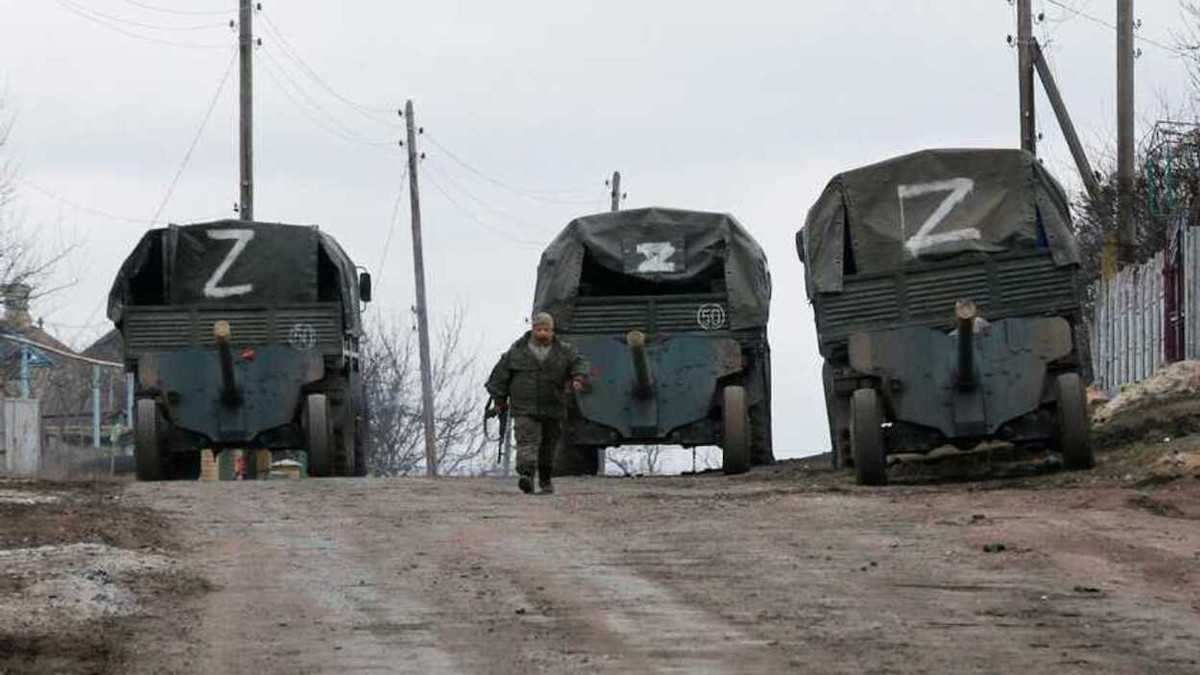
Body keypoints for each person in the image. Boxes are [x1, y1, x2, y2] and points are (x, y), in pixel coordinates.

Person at [486, 312, 588, 494]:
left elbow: (579, 363)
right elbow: (499, 377)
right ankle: (526, 475)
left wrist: (578, 378)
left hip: (553, 406)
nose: (542, 333)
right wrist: (499, 400)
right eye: (539, 329)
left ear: (552, 331)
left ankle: (546, 480)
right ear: (532, 329)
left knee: (549, 445)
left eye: (546, 330)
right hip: (524, 407)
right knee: (527, 441)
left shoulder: (564, 351)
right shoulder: (517, 351)